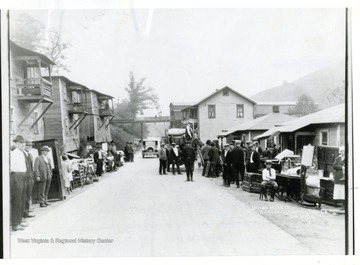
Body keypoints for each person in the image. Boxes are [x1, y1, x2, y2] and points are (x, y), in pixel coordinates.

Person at [10, 135, 28, 231]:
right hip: (16, 177)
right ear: (16, 143)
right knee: (17, 200)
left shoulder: (22, 153)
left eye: (24, 143)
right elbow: (10, 167)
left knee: (22, 200)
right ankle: (15, 224)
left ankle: (19, 221)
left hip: (23, 176)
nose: (23, 145)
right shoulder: (14, 153)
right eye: (21, 143)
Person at [23, 140, 35, 218]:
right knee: (23, 196)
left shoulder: (30, 155)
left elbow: (31, 167)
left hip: (30, 178)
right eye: (27, 145)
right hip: (23, 178)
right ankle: (22, 214)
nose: (28, 147)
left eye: (30, 146)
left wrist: (32, 176)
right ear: (24, 146)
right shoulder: (22, 154)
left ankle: (26, 213)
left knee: (28, 196)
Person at [333, 146, 345, 210]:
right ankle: (342, 205)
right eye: (341, 151)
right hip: (338, 177)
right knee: (340, 192)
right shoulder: (338, 158)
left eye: (343, 151)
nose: (342, 152)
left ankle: (345, 205)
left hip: (345, 178)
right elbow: (334, 166)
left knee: (344, 191)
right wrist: (342, 167)